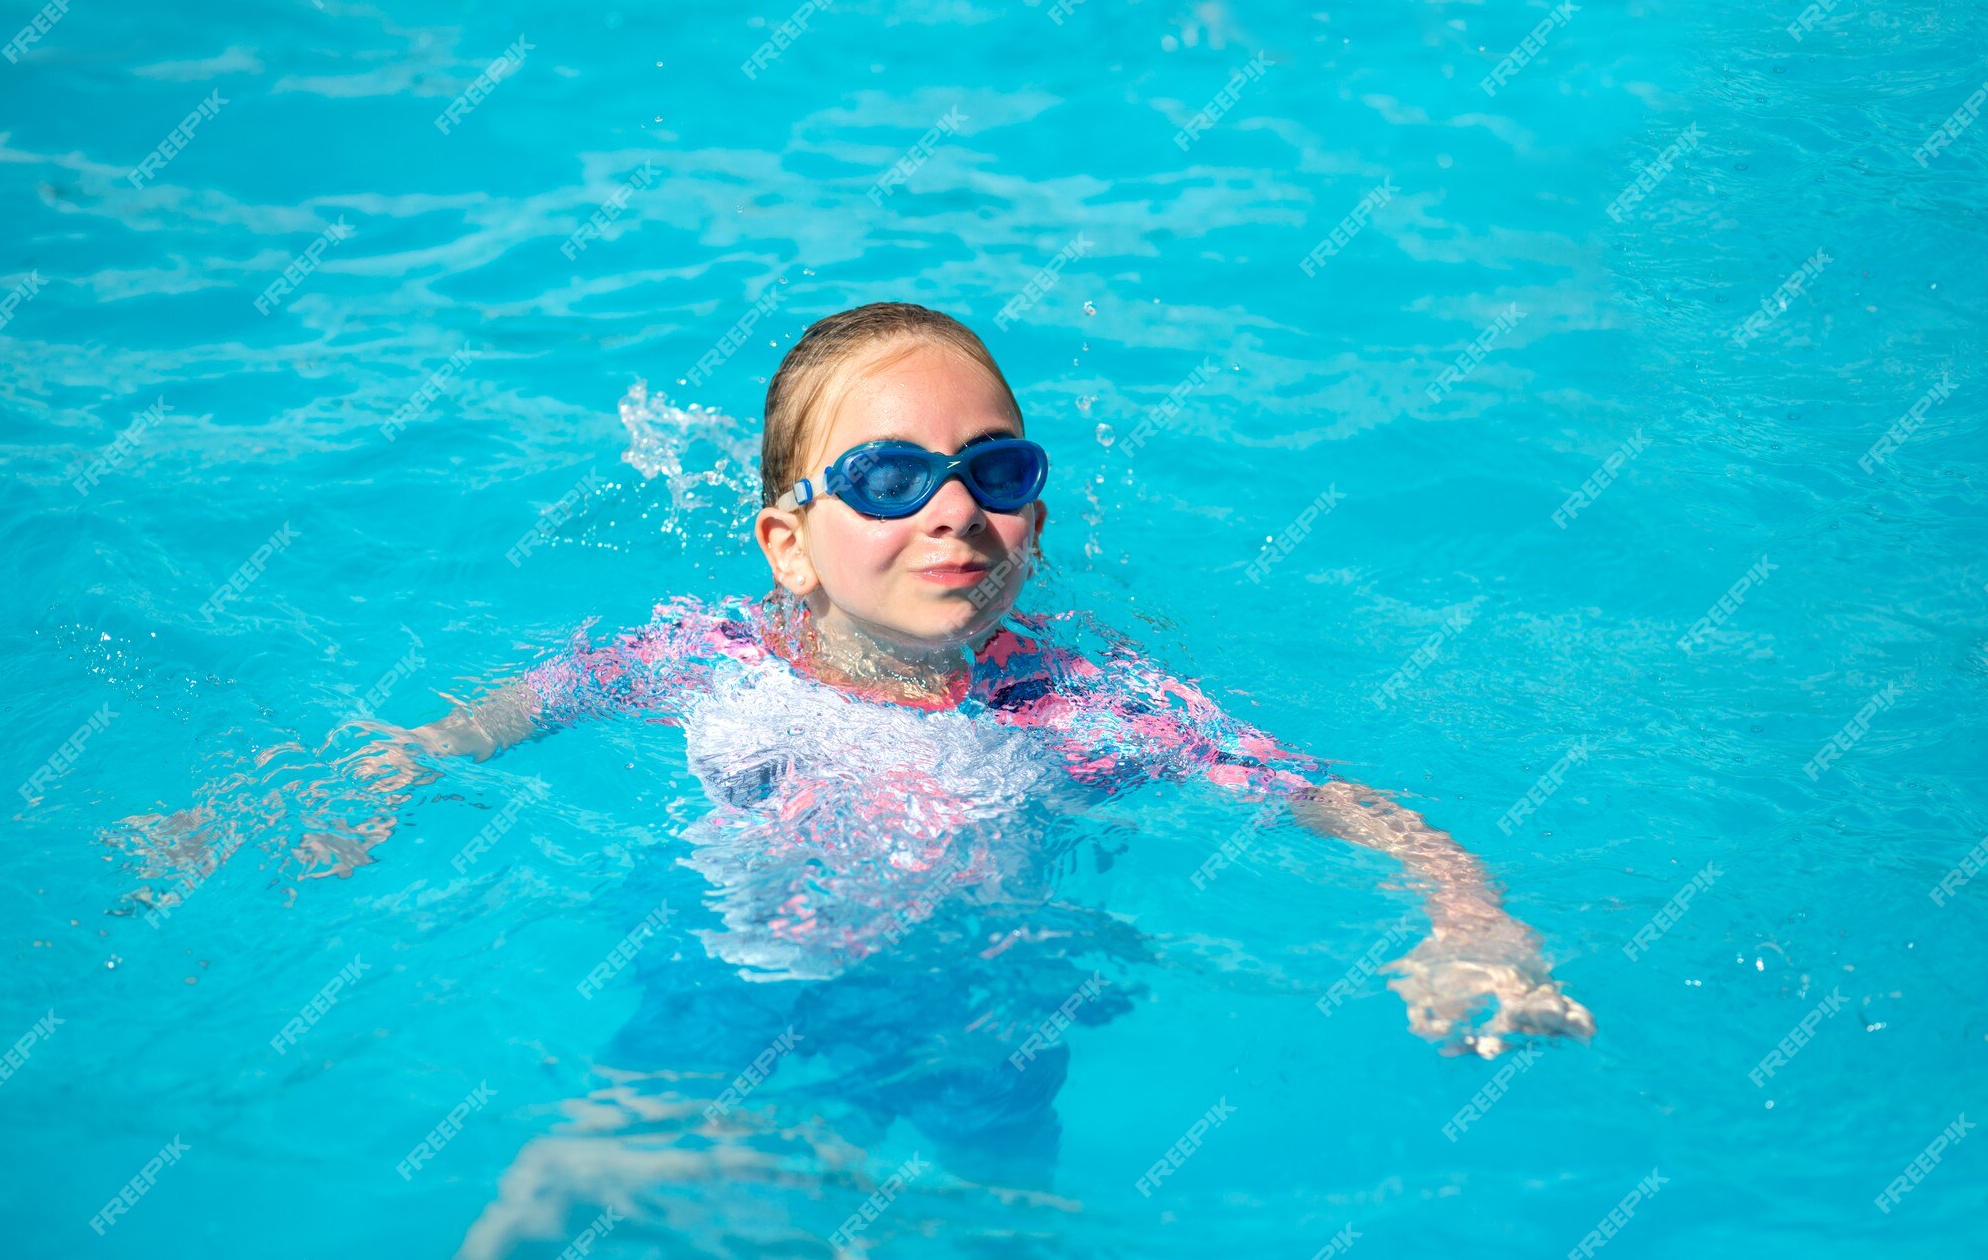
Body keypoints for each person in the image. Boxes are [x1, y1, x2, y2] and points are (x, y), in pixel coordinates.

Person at [359, 301, 1593, 1061]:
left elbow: (1320, 797)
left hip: (989, 1009)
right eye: (889, 479)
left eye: (993, 473)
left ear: (1034, 519)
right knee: (588, 1182)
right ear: (786, 540)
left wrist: (1470, 921)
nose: (954, 510)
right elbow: (516, 710)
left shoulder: (1078, 702)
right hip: (726, 981)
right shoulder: (705, 656)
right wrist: (397, 764)